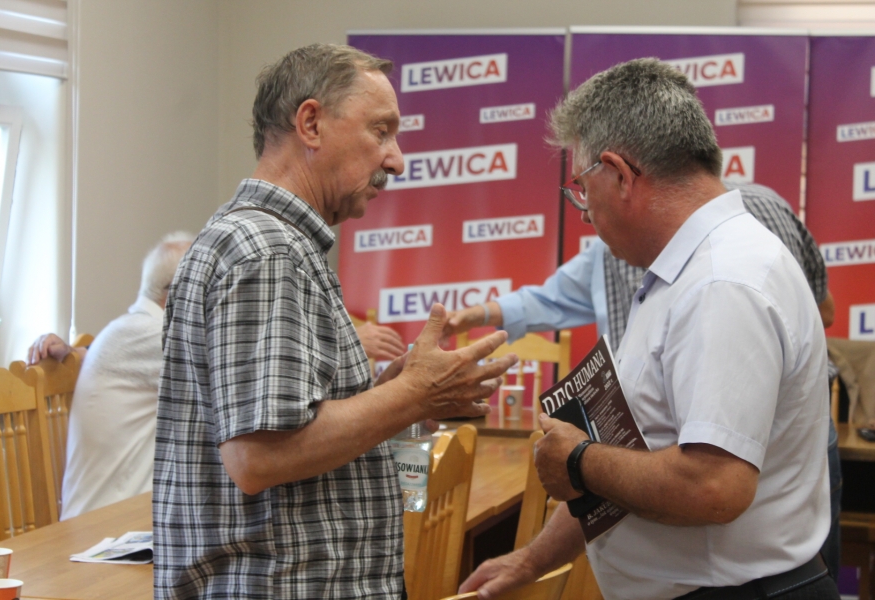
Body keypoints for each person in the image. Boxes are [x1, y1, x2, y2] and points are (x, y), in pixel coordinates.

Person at [458, 58, 837, 600]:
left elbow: (713, 488)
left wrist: (579, 460)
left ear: (620, 174)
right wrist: (531, 559)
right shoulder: (683, 273)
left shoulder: (719, 283)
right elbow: (638, 456)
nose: (583, 212)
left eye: (582, 188)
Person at [152, 43, 516, 600]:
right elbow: (258, 457)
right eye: (380, 131)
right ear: (311, 124)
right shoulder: (268, 251)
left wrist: (394, 394)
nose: (396, 160)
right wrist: (412, 396)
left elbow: (292, 425)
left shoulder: (272, 243)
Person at [27, 231, 194, 519]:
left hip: (120, 516)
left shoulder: (132, 331)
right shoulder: (149, 334)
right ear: (179, 291)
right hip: (105, 526)